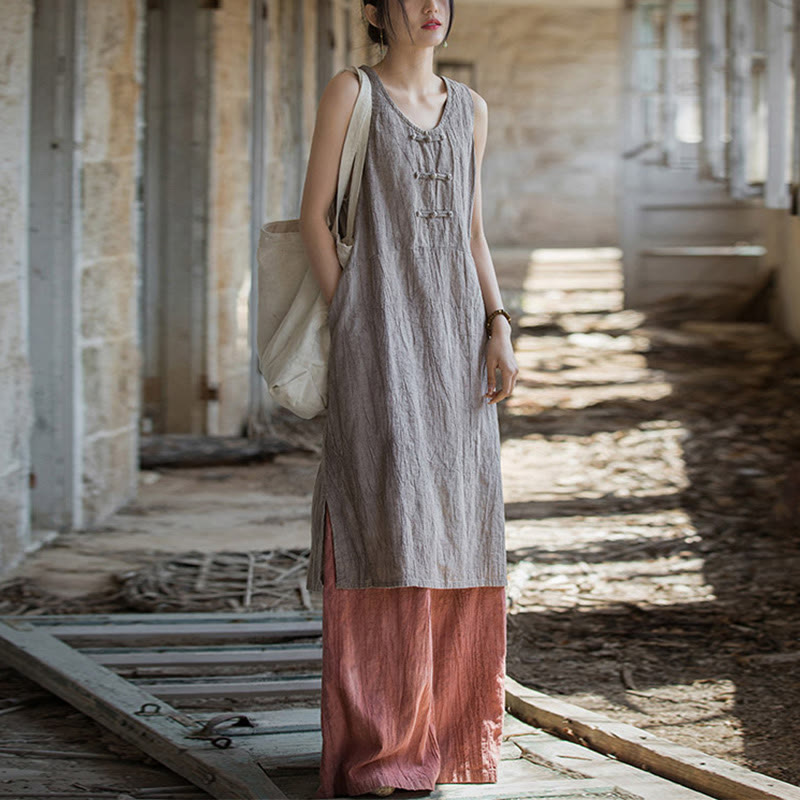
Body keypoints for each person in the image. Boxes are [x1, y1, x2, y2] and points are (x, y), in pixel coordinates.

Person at [298, 0, 519, 796]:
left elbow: (470, 230)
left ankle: (445, 739)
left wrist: (499, 325)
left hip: (457, 344)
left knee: (458, 522)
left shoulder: (472, 109)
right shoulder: (351, 92)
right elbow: (314, 219)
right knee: (382, 520)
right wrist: (352, 315)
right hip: (377, 341)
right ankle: (381, 753)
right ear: (374, 10)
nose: (431, 7)